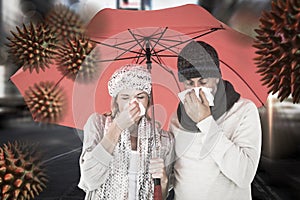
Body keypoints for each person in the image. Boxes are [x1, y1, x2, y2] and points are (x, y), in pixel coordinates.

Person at [170, 41, 262, 200]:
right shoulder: (177, 118)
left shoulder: (244, 111)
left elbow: (244, 175)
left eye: (203, 81)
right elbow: (178, 175)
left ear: (217, 77)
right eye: (189, 83)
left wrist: (205, 121)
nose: (196, 88)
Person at [78, 64, 174, 200]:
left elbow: (161, 196)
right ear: (116, 101)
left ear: (148, 101)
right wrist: (117, 127)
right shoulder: (98, 124)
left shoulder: (163, 140)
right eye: (125, 97)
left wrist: (163, 182)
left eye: (140, 97)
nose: (133, 104)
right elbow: (89, 180)